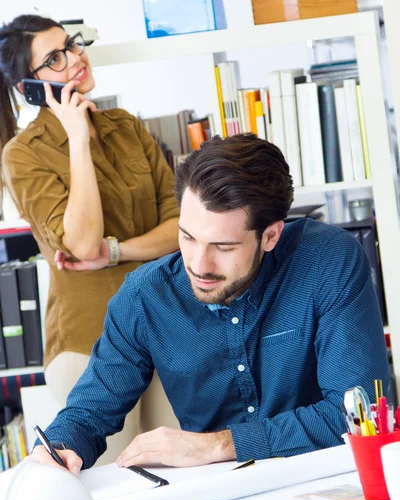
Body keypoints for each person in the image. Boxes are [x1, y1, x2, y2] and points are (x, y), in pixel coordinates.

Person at [29, 133, 389, 473]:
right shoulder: (144, 297)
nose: (199, 265)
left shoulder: (328, 261)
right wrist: (60, 448)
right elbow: (89, 411)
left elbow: (359, 414)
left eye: (223, 246)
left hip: (328, 481)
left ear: (270, 235)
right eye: (187, 237)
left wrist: (218, 445)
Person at [0, 16, 179, 427]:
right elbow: (81, 244)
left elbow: (181, 228)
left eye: (73, 45)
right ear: (30, 85)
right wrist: (77, 138)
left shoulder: (127, 127)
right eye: (55, 58)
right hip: (91, 346)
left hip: (166, 331)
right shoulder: (23, 154)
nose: (76, 59)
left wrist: (114, 251)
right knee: (118, 486)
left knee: (181, 471)